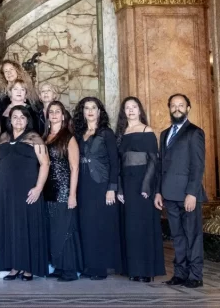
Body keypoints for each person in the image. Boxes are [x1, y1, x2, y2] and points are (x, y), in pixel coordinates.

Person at [155, 93, 206, 288]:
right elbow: (161, 166)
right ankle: (180, 273)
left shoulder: (195, 132)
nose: (177, 108)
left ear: (188, 108)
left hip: (188, 195)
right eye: (173, 105)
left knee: (193, 235)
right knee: (177, 236)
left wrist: (192, 193)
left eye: (181, 105)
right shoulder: (164, 134)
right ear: (169, 108)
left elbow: (198, 166)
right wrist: (159, 191)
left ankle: (195, 276)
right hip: (169, 194)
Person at [115, 97, 165, 283]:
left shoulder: (147, 131)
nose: (130, 111)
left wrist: (146, 185)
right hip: (126, 183)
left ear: (140, 110)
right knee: (130, 227)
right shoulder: (122, 133)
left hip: (143, 182)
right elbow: (119, 163)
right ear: (123, 112)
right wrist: (119, 188)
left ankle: (146, 270)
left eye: (134, 107)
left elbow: (154, 160)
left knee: (144, 226)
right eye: (127, 108)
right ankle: (133, 269)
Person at [0, 106, 49, 280]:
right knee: (10, 226)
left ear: (27, 120)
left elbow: (45, 164)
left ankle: (28, 267)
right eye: (15, 117)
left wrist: (38, 188)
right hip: (6, 189)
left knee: (27, 226)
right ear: (10, 119)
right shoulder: (4, 137)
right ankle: (14, 266)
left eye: (22, 117)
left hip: (28, 188)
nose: (18, 120)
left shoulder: (34, 138)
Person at [73, 96, 122, 280]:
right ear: (83, 112)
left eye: (93, 107)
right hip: (82, 184)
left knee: (99, 225)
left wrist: (112, 188)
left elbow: (114, 162)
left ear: (99, 111)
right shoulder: (78, 133)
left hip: (101, 184)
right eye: (86, 108)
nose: (90, 111)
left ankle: (99, 268)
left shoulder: (106, 133)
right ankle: (88, 265)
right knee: (85, 225)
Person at [44, 101, 83, 282]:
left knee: (65, 229)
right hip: (48, 190)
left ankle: (69, 270)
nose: (53, 114)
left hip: (64, 190)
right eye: (51, 111)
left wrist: (72, 194)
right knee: (54, 230)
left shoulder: (69, 137)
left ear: (63, 115)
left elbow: (74, 168)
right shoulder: (45, 137)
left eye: (57, 111)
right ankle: (59, 266)